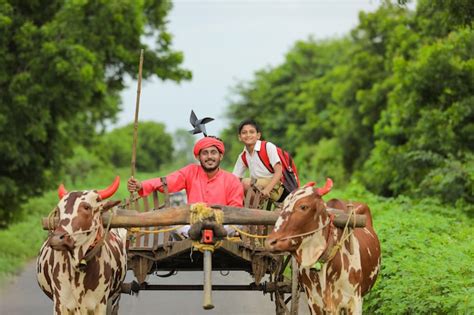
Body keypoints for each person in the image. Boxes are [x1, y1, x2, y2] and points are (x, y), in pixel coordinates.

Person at [127, 136, 244, 237]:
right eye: (205, 153)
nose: (209, 157)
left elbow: (235, 210)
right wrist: (142, 185)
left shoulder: (232, 180)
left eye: (213, 152)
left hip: (223, 226)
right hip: (192, 225)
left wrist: (219, 222)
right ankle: (192, 234)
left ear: (220, 156)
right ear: (198, 157)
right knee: (173, 221)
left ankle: (215, 233)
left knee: (238, 222)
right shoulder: (191, 171)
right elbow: (167, 182)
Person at [232, 119, 287, 203]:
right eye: (244, 132)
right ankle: (252, 207)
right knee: (236, 183)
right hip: (257, 187)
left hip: (275, 187)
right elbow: (234, 178)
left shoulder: (267, 147)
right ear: (239, 137)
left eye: (251, 132)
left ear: (258, 135)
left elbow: (279, 172)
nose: (248, 135)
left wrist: (267, 190)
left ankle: (255, 206)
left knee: (244, 183)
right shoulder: (243, 156)